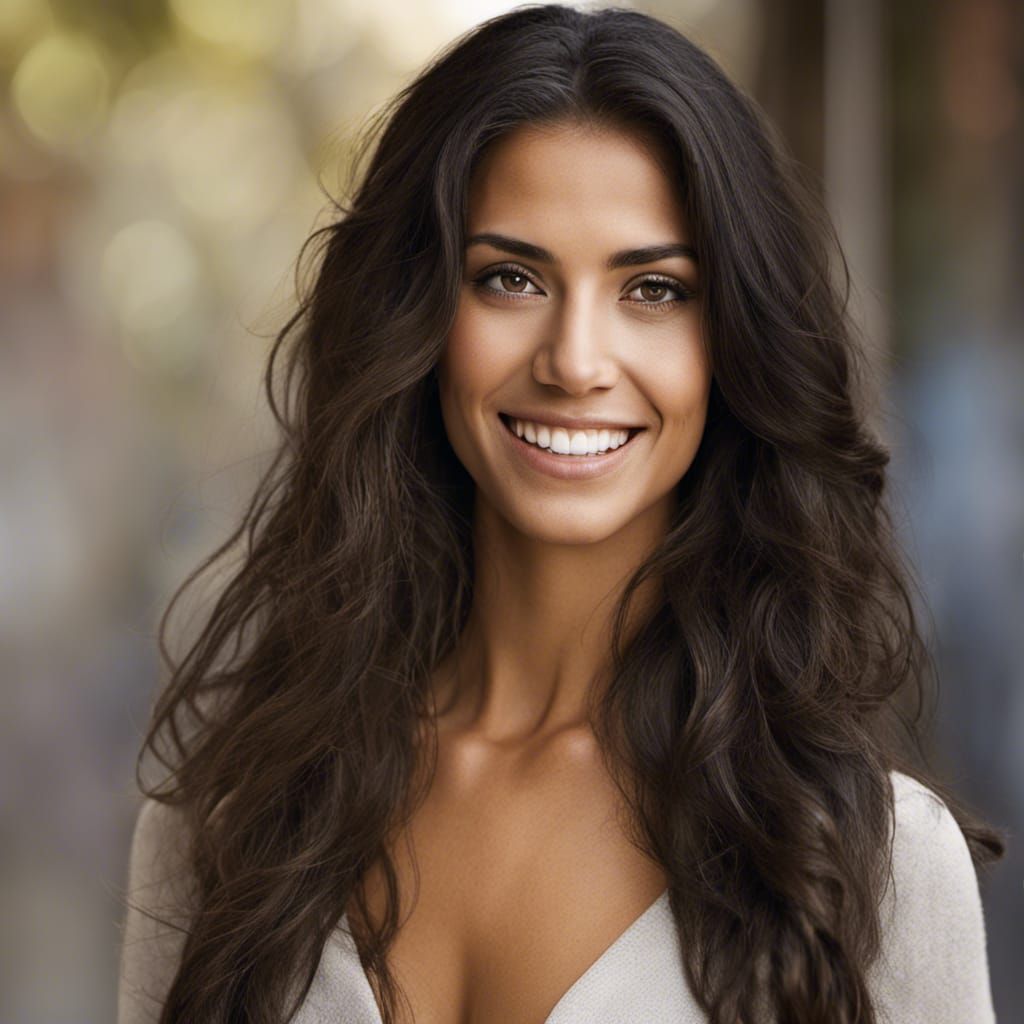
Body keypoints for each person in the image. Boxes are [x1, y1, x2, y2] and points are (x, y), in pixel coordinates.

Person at [117, 4, 1005, 1023]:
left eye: (654, 290)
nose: (575, 360)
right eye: (510, 278)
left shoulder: (868, 868)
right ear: (417, 316)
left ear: (735, 344)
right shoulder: (227, 835)